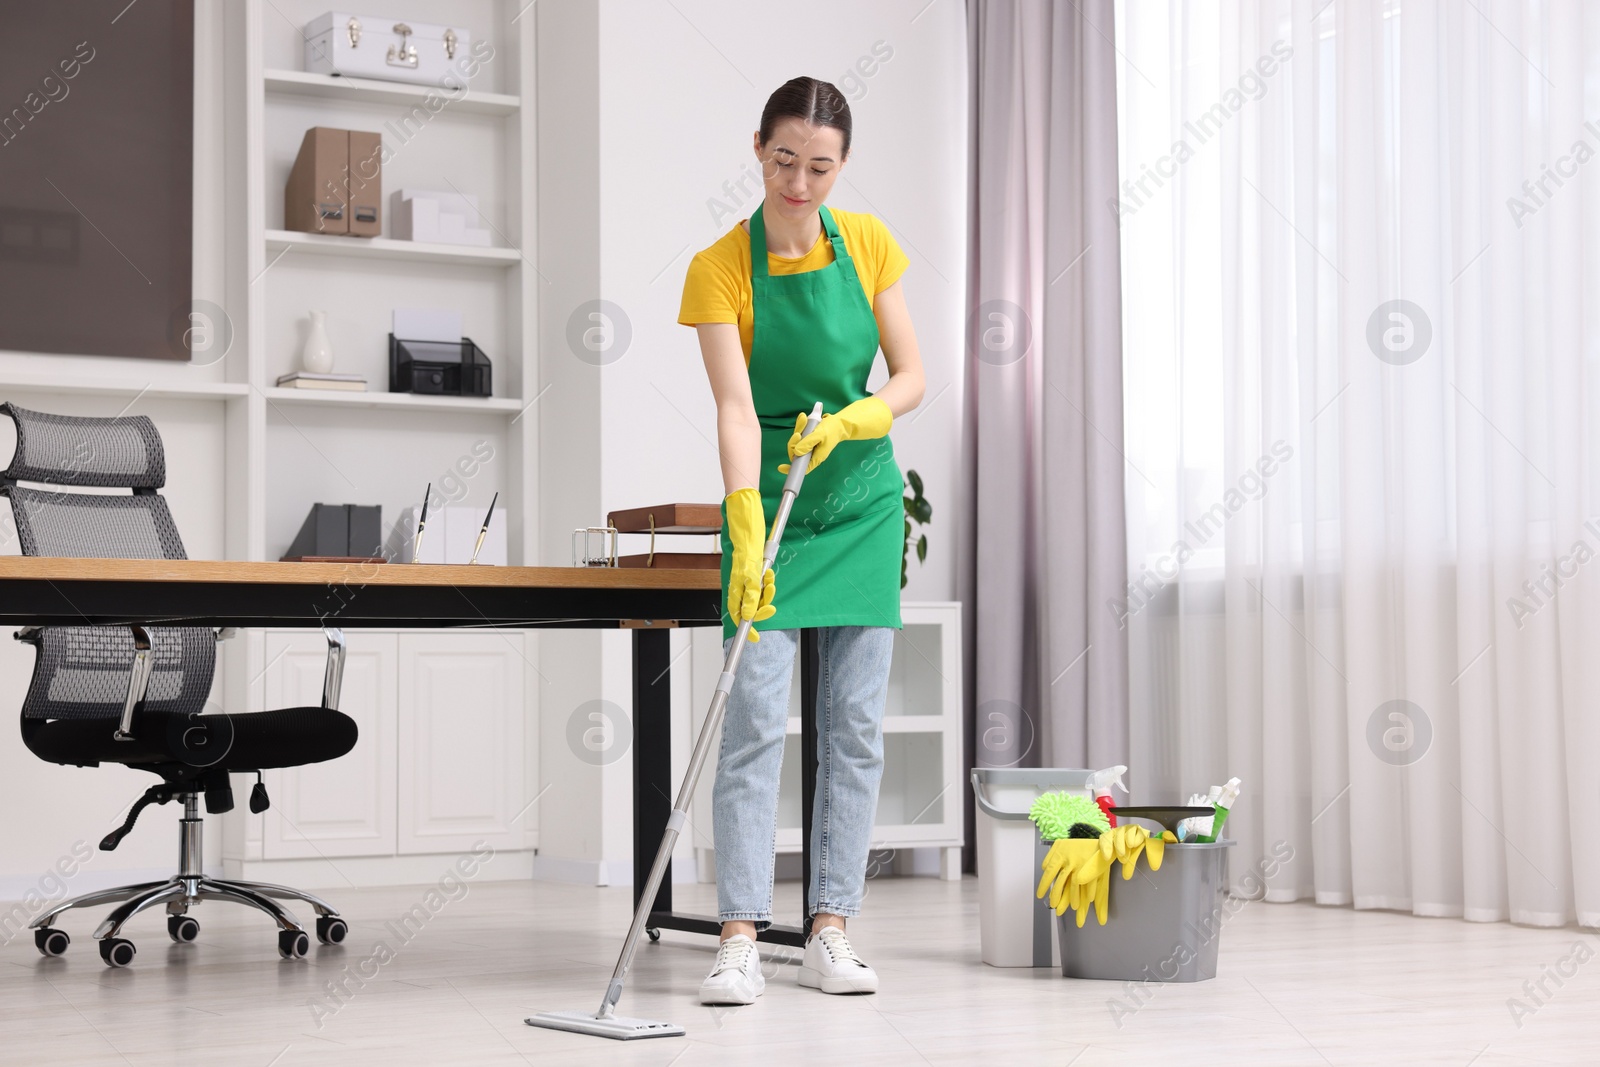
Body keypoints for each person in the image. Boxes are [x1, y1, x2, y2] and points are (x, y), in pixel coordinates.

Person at [676, 75, 925, 1006]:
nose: (801, 182)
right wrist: (744, 516)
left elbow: (911, 376)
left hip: (860, 501)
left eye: (821, 166)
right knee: (751, 727)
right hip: (773, 496)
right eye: (786, 160)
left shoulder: (868, 245)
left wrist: (862, 418)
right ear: (758, 149)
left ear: (842, 166)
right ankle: (739, 932)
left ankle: (830, 927)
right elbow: (737, 407)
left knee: (854, 729)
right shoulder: (719, 267)